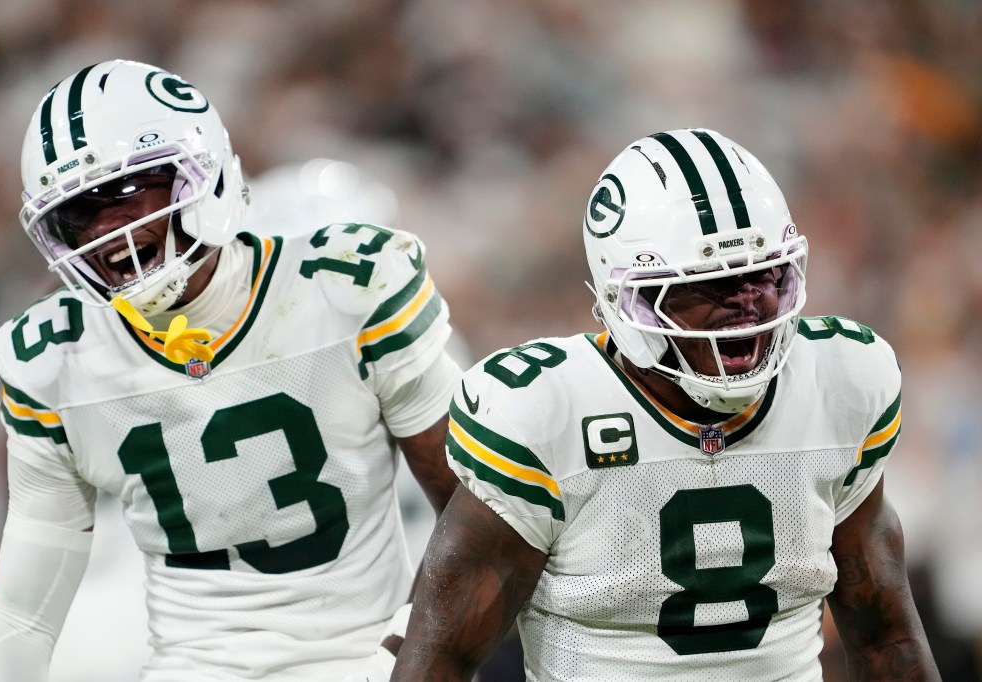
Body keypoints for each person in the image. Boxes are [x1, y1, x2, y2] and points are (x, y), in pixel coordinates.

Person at [0, 59, 462, 682]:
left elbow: (474, 522)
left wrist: (406, 661)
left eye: (128, 190)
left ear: (208, 173)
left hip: (359, 660)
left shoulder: (349, 288)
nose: (107, 230)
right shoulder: (55, 356)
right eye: (78, 211)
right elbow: (22, 616)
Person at [393, 128, 940, 681]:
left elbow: (886, 641)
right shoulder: (545, 411)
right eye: (707, 284)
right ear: (626, 300)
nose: (747, 306)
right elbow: (440, 662)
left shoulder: (840, 382)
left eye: (762, 275)